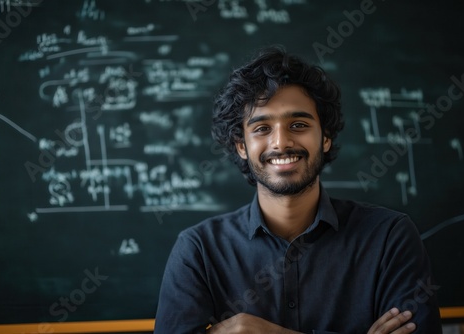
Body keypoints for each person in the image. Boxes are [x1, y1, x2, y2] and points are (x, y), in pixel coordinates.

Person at [154, 46, 442, 333]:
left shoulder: (389, 237)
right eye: (262, 128)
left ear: (325, 137)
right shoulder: (198, 251)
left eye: (299, 124)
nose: (281, 142)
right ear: (242, 146)